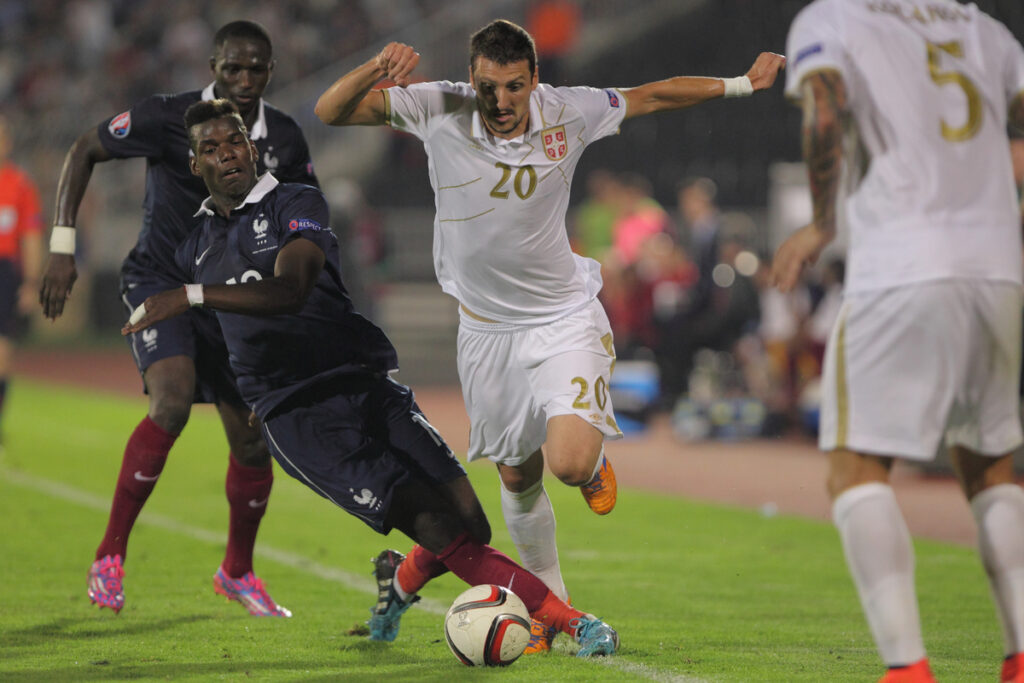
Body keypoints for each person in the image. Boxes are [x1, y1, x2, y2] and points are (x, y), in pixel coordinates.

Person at [313, 18, 786, 653]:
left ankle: (590, 463)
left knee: (565, 463)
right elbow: (329, 109)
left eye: (513, 87)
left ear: (535, 79)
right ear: (472, 79)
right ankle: (548, 613)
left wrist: (739, 84)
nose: (500, 102)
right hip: (485, 332)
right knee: (517, 477)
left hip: (562, 316)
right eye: (488, 87)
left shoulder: (571, 110)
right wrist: (375, 68)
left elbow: (651, 94)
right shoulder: (440, 106)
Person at [123, 98, 620, 657]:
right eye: (209, 149)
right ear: (196, 167)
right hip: (299, 418)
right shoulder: (192, 246)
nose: (226, 154)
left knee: (471, 526)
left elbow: (292, 290)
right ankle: (571, 623)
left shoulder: (297, 201)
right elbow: (224, 340)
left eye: (234, 140)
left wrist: (189, 295)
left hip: (366, 385)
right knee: (440, 529)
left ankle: (399, 584)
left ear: (252, 145)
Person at [775, 2, 1024, 681]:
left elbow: (823, 113)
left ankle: (906, 667)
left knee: (856, 469)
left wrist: (823, 223)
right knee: (991, 465)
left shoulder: (832, 20)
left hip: (900, 265)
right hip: (999, 267)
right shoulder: (985, 29)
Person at [39, 20, 318, 617]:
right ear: (212, 66)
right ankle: (109, 556)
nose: (243, 81)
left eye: (256, 69)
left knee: (251, 437)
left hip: (226, 294)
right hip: (160, 281)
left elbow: (300, 219)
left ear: (272, 71)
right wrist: (63, 246)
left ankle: (237, 572)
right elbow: (84, 147)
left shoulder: (286, 138)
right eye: (232, 68)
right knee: (171, 399)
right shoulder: (169, 117)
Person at [0, 115, 43, 441]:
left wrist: (30, 283)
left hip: (5, 272)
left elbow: (30, 236)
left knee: (3, 351)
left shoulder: (19, 184)